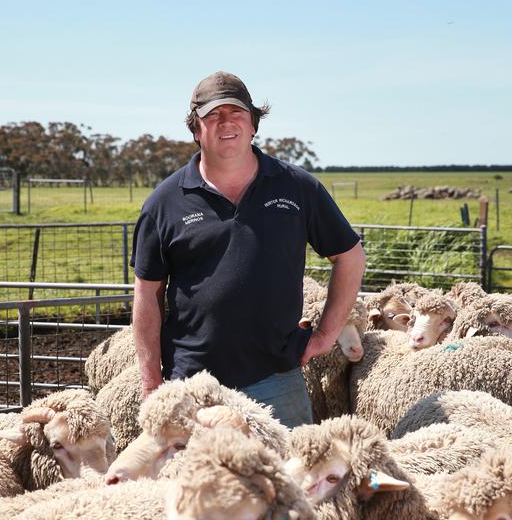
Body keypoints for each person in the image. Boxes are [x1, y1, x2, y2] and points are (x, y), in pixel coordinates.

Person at [130, 71, 366, 428]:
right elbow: (147, 294)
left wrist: (325, 335)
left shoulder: (298, 188)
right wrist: (151, 383)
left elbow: (349, 257)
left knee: (286, 478)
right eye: (213, 115)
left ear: (253, 123)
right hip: (193, 384)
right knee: (194, 482)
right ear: (196, 129)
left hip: (276, 380)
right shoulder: (164, 203)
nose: (226, 122)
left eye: (237, 113)